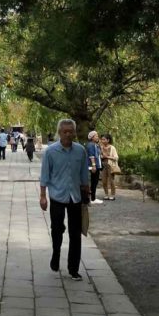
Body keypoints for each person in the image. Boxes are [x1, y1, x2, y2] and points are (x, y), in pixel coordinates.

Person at [39, 118, 90, 281]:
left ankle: (73, 268)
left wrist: (87, 194)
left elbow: (84, 175)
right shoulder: (51, 151)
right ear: (59, 133)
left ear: (74, 133)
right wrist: (42, 196)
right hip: (57, 196)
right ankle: (56, 254)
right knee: (57, 229)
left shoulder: (80, 151)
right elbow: (44, 175)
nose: (68, 134)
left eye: (70, 131)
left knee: (75, 233)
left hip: (75, 197)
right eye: (65, 131)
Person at [100, 133, 120, 200]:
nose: (102, 141)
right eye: (102, 139)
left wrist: (107, 157)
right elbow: (99, 156)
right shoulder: (101, 147)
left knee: (111, 181)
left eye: (104, 139)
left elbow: (116, 157)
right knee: (104, 181)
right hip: (103, 166)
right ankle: (106, 194)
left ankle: (112, 195)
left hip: (110, 166)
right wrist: (101, 156)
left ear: (108, 140)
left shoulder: (112, 147)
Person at [86, 130, 103, 205]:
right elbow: (91, 156)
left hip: (96, 166)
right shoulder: (91, 145)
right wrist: (93, 165)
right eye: (96, 136)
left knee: (94, 182)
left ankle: (93, 198)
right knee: (93, 182)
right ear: (92, 137)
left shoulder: (95, 145)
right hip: (93, 166)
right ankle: (92, 199)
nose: (97, 137)